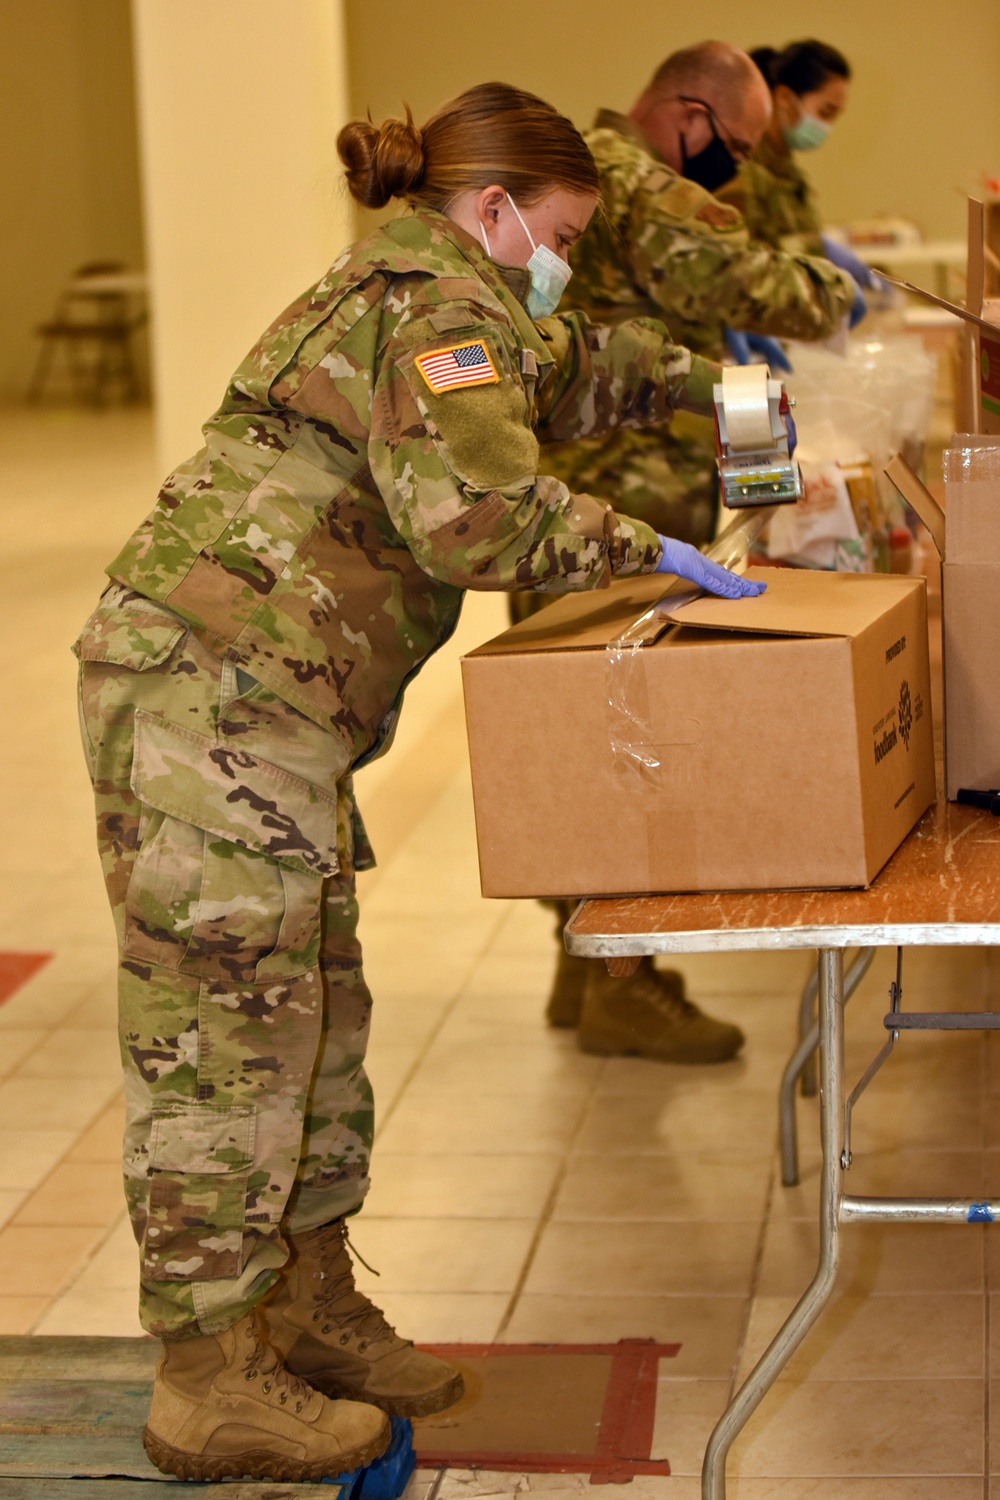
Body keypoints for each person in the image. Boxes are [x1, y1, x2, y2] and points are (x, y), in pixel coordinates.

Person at [73, 81, 762, 1485]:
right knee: (227, 1037)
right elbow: (477, 517)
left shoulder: (459, 292)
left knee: (313, 1008)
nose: (555, 262)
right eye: (555, 233)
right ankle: (203, 1378)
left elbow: (563, 359)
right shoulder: (431, 305)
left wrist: (710, 379)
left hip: (268, 707)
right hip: (208, 694)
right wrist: (644, 542)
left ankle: (308, 1305)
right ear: (495, 210)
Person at [518, 42, 862, 1063]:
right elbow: (744, 275)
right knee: (616, 733)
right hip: (620, 504)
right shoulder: (634, 181)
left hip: (584, 497)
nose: (741, 169)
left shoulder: (581, 175)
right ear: (686, 115)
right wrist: (832, 285)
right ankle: (619, 981)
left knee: (576, 728)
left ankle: (586, 967)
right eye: (737, 146)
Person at [719, 40, 882, 295]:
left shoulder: (788, 174)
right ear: (784, 97)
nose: (827, 127)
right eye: (825, 112)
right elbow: (739, 271)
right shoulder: (742, 169)